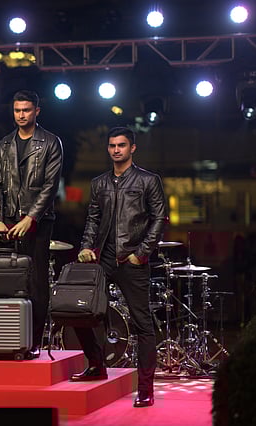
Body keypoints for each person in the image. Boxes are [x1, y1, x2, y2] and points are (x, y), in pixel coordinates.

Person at [71, 127, 166, 408]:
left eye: (121, 145)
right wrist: (86, 247)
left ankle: (145, 389)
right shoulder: (99, 183)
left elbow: (159, 219)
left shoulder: (148, 180)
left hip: (132, 260)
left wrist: (141, 253)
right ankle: (96, 365)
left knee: (142, 324)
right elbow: (92, 219)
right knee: (82, 312)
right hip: (103, 259)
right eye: (112, 145)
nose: (116, 150)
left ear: (132, 148)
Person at [0, 90, 63, 357]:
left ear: (37, 111)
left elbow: (50, 186)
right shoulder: (4, 144)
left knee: (36, 280)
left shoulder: (51, 142)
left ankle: (33, 341)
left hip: (38, 220)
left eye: (26, 110)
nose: (21, 115)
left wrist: (31, 218)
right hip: (7, 218)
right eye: (17, 110)